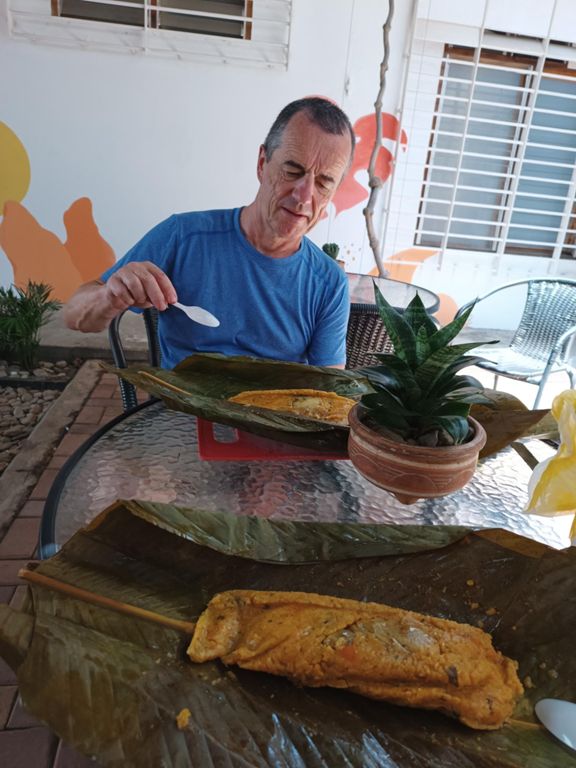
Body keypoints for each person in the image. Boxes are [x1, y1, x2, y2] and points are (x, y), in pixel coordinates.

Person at [64, 97, 356, 370]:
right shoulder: (183, 237)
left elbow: (327, 393)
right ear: (262, 163)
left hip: (268, 422)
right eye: (292, 170)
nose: (304, 196)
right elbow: (75, 316)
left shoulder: (328, 284)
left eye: (324, 183)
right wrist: (109, 297)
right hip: (179, 418)